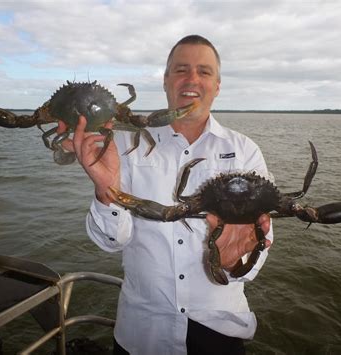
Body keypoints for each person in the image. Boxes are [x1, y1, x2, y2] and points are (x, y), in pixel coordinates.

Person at [60, 35, 273, 355]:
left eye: (204, 71)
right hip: (142, 332)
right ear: (165, 81)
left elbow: (262, 240)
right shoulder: (125, 145)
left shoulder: (244, 151)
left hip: (220, 329)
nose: (192, 79)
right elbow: (109, 242)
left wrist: (234, 263)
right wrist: (107, 191)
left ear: (217, 85)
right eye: (181, 70)